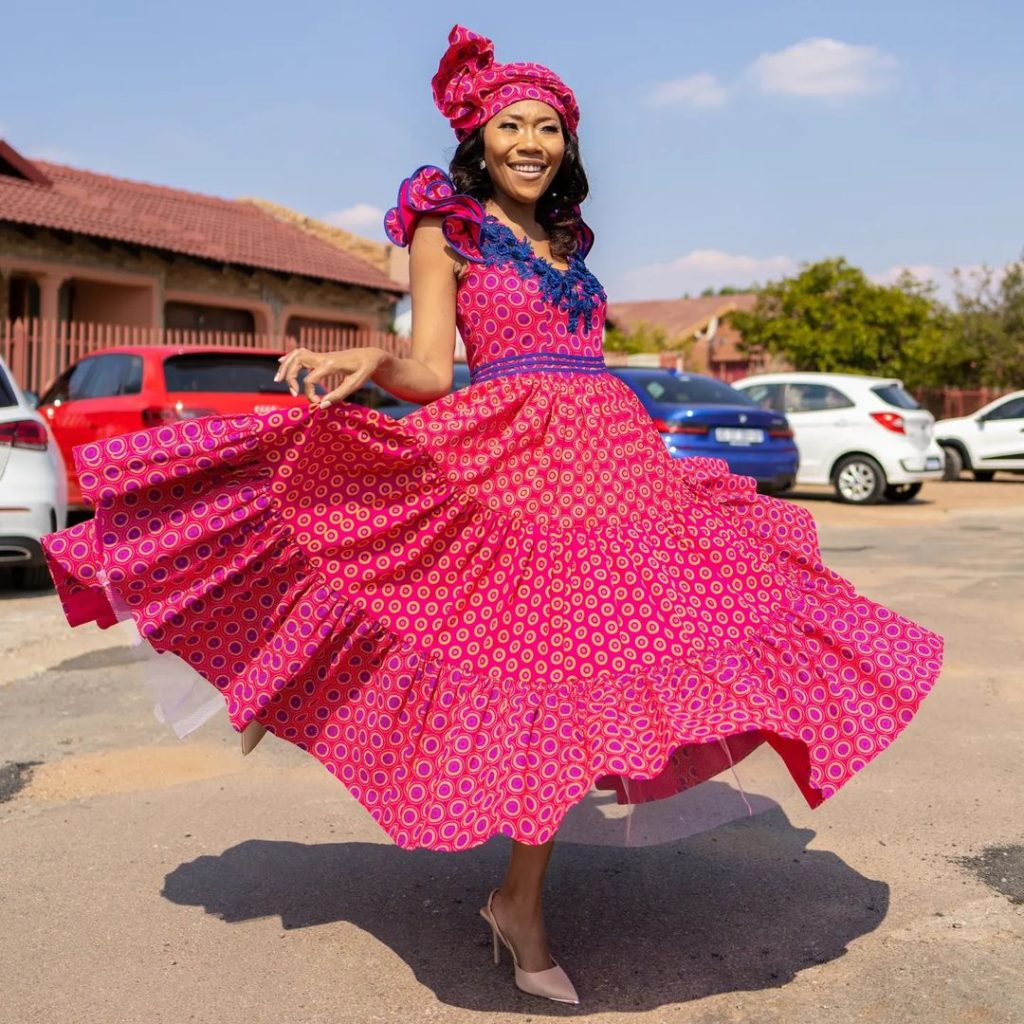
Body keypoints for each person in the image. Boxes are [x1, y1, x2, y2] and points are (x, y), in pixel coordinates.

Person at [41, 24, 944, 1008]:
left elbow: (581, 355)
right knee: (521, 668)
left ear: (567, 143)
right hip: (510, 465)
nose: (530, 141)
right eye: (512, 124)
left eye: (548, 127)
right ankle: (505, 891)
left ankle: (517, 898)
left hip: (612, 469)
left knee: (699, 626)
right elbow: (431, 367)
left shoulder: (567, 237)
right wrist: (369, 363)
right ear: (479, 137)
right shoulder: (448, 226)